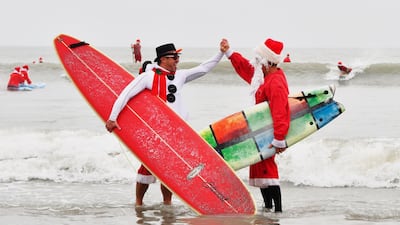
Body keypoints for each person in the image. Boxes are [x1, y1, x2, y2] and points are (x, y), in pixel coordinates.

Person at [105, 42, 224, 206]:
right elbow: (126, 94)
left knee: (170, 169)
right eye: (174, 57)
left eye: (177, 57)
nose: (177, 61)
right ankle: (139, 203)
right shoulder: (148, 77)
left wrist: (221, 53)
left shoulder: (180, 76)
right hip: (156, 131)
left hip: (177, 132)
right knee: (146, 168)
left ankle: (167, 203)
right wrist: (112, 118)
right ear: (163, 59)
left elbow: (203, 68)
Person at [220, 38, 290, 213]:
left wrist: (279, 138)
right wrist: (229, 53)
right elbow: (247, 69)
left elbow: (280, 110)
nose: (255, 62)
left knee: (268, 169)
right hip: (260, 133)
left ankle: (278, 212)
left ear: (267, 60)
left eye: (258, 58)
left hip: (270, 134)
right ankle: (268, 209)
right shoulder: (264, 77)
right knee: (260, 168)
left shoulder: (275, 82)